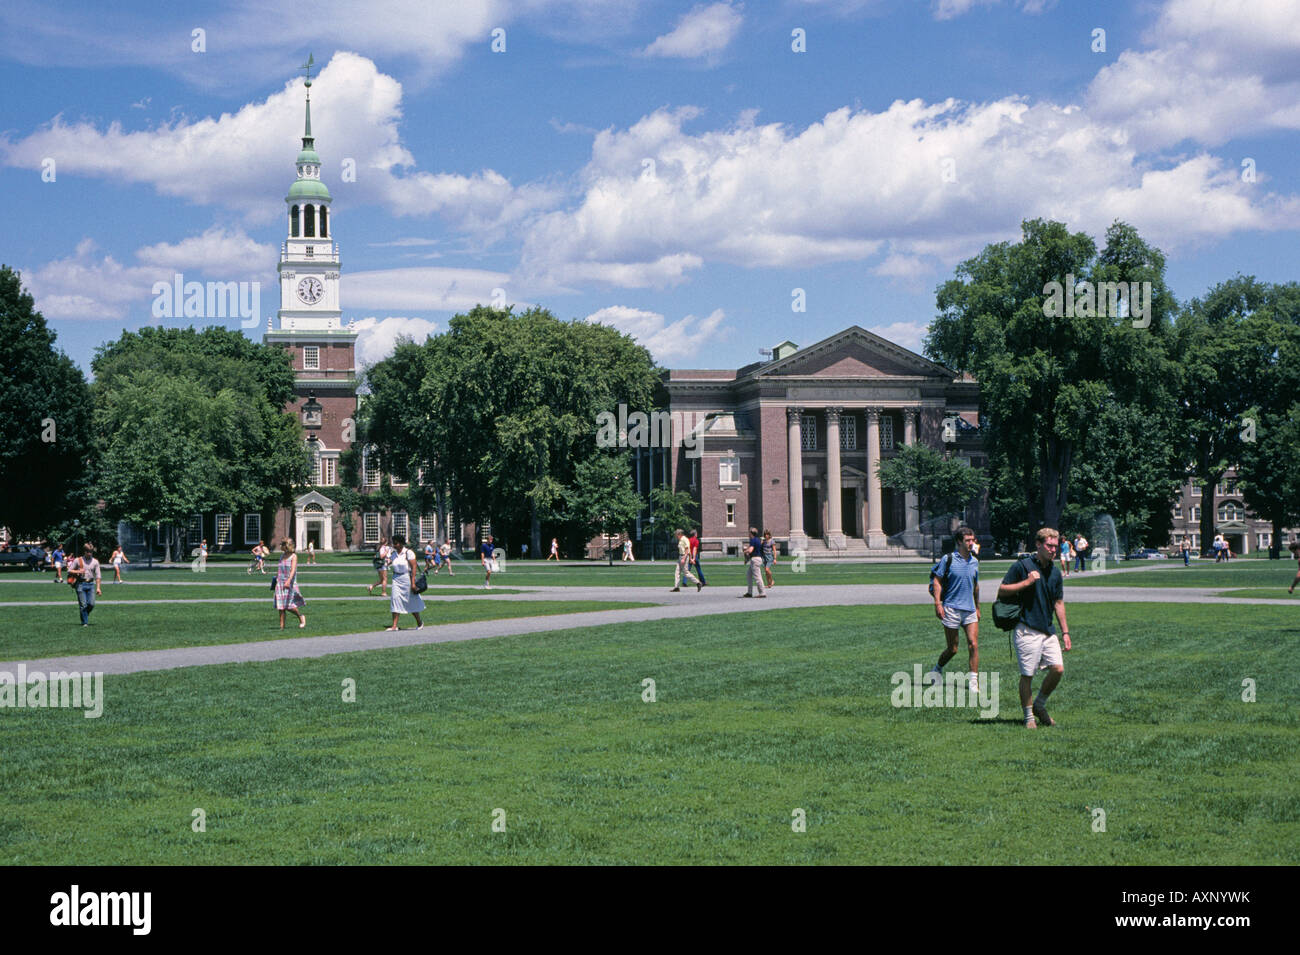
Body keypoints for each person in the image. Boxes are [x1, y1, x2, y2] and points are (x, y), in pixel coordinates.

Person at [998, 527, 1072, 729]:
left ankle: (1039, 705)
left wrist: (1065, 632)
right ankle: (1028, 716)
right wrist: (1027, 582)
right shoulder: (1022, 566)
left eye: (1055, 546)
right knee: (1028, 675)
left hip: (1048, 630)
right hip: (1026, 628)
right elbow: (1002, 590)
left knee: (1058, 669)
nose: (1053, 550)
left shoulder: (1055, 572)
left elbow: (1059, 603)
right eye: (1049, 545)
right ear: (1038, 544)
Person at [927, 527, 981, 697]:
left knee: (973, 644)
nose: (971, 543)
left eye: (973, 539)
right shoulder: (948, 559)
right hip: (951, 608)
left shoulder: (974, 561)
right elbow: (937, 580)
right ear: (959, 542)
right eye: (967, 540)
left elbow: (976, 585)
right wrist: (938, 603)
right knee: (953, 648)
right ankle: (937, 669)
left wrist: (978, 607)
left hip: (970, 609)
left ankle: (973, 682)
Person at [386, 534, 425, 631]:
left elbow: (414, 567)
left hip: (406, 578)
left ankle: (419, 622)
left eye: (396, 543)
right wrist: (385, 559)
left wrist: (412, 582)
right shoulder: (393, 554)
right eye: (393, 543)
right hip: (396, 578)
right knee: (395, 599)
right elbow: (388, 562)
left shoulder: (408, 553)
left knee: (411, 600)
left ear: (401, 543)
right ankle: (394, 626)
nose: (394, 545)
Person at [273, 538, 306, 630]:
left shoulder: (294, 556)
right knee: (281, 606)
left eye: (282, 545)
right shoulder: (281, 556)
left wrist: (288, 581)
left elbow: (293, 570)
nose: (280, 546)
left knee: (289, 606)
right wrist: (275, 579)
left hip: (289, 583)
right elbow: (279, 569)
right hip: (280, 583)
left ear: (286, 546)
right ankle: (281, 627)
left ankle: (301, 617)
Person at [67, 543, 102, 627]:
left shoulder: (95, 562)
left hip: (90, 584)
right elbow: (69, 570)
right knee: (83, 605)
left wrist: (98, 588)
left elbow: (98, 576)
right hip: (80, 584)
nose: (90, 553)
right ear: (85, 552)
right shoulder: (78, 560)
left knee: (91, 604)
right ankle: (85, 622)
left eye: (91, 552)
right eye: (88, 552)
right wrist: (78, 571)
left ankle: (84, 614)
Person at [741, 527, 766, 598]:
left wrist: (745, 550)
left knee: (757, 577)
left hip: (755, 559)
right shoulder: (757, 540)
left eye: (749, 532)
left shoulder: (752, 540)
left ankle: (762, 593)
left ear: (751, 533)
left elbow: (751, 550)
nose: (748, 534)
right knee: (748, 575)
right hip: (757, 558)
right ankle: (749, 592)